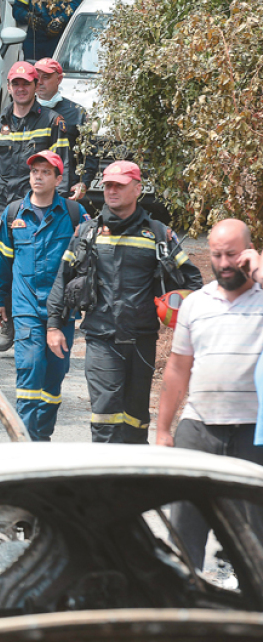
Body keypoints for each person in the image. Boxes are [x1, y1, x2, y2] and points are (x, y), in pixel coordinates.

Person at [46, 161, 203, 443]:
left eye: (119, 184)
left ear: (137, 188)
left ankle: (134, 483)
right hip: (101, 338)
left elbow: (193, 283)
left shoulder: (158, 234)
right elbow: (63, 277)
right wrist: (54, 325)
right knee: (105, 420)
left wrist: (185, 317)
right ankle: (105, 485)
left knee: (136, 421)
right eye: (108, 185)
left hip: (142, 340)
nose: (112, 190)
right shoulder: (86, 233)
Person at [155, 219, 263, 564]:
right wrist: (162, 429)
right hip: (198, 430)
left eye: (232, 254)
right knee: (185, 533)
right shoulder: (195, 304)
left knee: (253, 538)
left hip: (253, 435)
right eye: (216, 255)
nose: (224, 263)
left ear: (249, 251)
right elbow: (177, 368)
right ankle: (185, 606)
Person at [0, 150, 87, 441]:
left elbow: (88, 258)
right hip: (26, 306)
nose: (38, 177)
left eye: (45, 172)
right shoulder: (14, 213)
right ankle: (25, 442)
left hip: (62, 309)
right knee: (30, 368)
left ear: (58, 179)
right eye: (34, 172)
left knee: (55, 375)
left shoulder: (73, 213)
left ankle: (42, 436)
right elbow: (0, 257)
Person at [0, 61, 70, 351]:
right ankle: (9, 321)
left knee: (38, 263)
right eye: (15, 84)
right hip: (1, 205)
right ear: (9, 88)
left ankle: (42, 320)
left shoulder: (52, 121)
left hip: (38, 203)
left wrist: (62, 196)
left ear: (36, 87)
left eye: (26, 83)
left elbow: (63, 164)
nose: (21, 89)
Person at [34, 58, 98, 201]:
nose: (40, 82)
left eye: (46, 77)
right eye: (37, 77)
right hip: (32, 191)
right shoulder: (24, 112)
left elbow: (90, 154)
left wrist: (84, 182)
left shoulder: (76, 113)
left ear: (59, 79)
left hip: (65, 192)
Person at [12, 0, 88, 60]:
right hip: (35, 39)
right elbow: (18, 9)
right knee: (32, 70)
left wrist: (61, 19)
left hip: (62, 39)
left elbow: (77, 4)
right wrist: (27, 17)